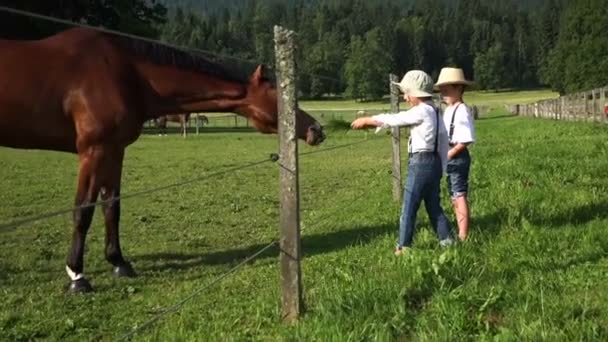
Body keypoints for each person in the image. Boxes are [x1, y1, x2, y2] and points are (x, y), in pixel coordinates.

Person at [351, 70, 453, 255]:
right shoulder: (436, 112)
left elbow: (396, 119)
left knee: (409, 205)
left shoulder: (422, 111)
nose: (405, 97)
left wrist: (369, 119)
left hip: (421, 163)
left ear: (417, 94)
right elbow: (444, 141)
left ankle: (403, 247)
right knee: (433, 206)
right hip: (434, 162)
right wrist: (442, 167)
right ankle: (448, 243)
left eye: (407, 93)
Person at [435, 67, 475, 241]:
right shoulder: (449, 109)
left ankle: (463, 234)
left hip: (456, 156)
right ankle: (460, 227)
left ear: (458, 88)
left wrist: (450, 153)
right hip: (449, 154)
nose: (443, 92)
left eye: (447, 89)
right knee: (453, 194)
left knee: (459, 194)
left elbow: (466, 139)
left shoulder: (462, 111)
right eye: (441, 89)